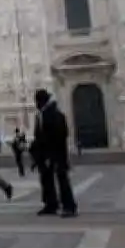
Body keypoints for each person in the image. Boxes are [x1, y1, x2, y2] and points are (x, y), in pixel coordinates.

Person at [29, 89, 77, 218]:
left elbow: (59, 135)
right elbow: (39, 136)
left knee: (61, 179)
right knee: (46, 179)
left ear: (41, 102)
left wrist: (50, 154)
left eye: (37, 101)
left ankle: (69, 206)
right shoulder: (42, 115)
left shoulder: (54, 115)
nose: (36, 104)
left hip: (55, 154)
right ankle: (51, 204)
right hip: (46, 154)